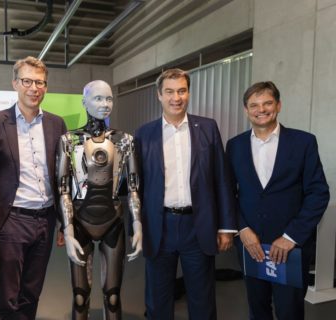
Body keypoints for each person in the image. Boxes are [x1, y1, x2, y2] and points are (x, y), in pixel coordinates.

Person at [134, 68, 237, 320]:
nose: (176, 97)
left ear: (188, 93)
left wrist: (225, 227)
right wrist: (134, 226)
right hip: (159, 226)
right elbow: (137, 186)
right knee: (158, 299)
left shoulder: (208, 128)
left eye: (181, 90)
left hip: (198, 225)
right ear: (159, 95)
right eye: (169, 91)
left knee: (202, 299)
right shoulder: (144, 134)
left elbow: (221, 179)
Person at [226, 81, 329, 320]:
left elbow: (318, 192)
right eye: (254, 105)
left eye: (267, 103)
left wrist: (291, 236)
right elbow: (228, 192)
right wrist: (241, 228)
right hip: (251, 246)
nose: (261, 109)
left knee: (289, 312)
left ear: (278, 105)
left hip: (289, 249)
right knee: (257, 310)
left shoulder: (303, 142)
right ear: (246, 110)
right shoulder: (235, 145)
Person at [0, 56, 67, 320]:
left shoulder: (56, 124)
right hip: (11, 220)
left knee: (31, 293)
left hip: (45, 220)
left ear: (46, 87)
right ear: (15, 83)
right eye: (27, 81)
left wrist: (62, 221)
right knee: (6, 296)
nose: (34, 88)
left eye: (40, 82)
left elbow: (61, 176)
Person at [57, 80, 143, 320]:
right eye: (98, 98)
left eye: (109, 99)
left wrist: (137, 225)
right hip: (81, 222)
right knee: (80, 297)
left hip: (113, 221)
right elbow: (63, 188)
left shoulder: (124, 140)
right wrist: (69, 229)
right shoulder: (69, 141)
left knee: (113, 297)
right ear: (84, 102)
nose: (105, 104)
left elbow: (134, 186)